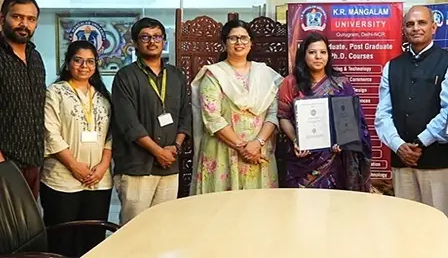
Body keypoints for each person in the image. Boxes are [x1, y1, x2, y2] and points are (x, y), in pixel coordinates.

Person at [374, 5, 448, 225]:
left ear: (433, 27)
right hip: (402, 161)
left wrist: (419, 143)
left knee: (440, 226)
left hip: (439, 162)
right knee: (406, 226)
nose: (416, 28)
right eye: (410, 24)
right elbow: (383, 114)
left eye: (422, 23)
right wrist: (399, 145)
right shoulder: (392, 67)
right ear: (404, 30)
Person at [112, 17, 191, 224]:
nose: (152, 42)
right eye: (145, 37)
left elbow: (185, 115)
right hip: (137, 167)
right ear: (135, 43)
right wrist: (158, 152)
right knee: (134, 227)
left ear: (164, 41)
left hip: (169, 166)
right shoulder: (125, 76)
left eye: (157, 37)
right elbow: (129, 123)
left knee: (164, 226)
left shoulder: (176, 75)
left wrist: (175, 146)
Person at [190, 19, 282, 194]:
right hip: (223, 153)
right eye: (233, 38)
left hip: (259, 151)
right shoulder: (214, 74)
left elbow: (274, 113)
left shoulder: (265, 74)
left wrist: (257, 143)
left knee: (259, 206)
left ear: (251, 42)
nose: (239, 42)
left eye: (244, 38)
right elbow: (212, 117)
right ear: (224, 43)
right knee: (222, 207)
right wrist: (243, 148)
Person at [40, 40, 113, 257]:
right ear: (68, 62)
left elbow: (111, 135)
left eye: (90, 61)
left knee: (93, 239)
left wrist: (103, 166)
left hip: (98, 180)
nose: (84, 66)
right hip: (62, 180)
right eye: (78, 60)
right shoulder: (55, 92)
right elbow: (50, 132)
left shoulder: (102, 96)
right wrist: (74, 166)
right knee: (62, 239)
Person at [277, 32, 372, 191]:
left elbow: (353, 120)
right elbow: (283, 117)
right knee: (301, 204)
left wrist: (344, 142)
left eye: (323, 52)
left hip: (334, 161)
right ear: (304, 55)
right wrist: (296, 140)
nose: (318, 57)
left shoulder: (340, 83)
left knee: (332, 204)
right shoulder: (291, 83)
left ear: (328, 55)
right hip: (301, 159)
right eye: (312, 52)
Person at [0, 0, 46, 199]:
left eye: (31, 19)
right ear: (2, 18)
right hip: (5, 162)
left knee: (28, 218)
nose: (24, 24)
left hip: (33, 161)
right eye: (17, 17)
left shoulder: (35, 57)